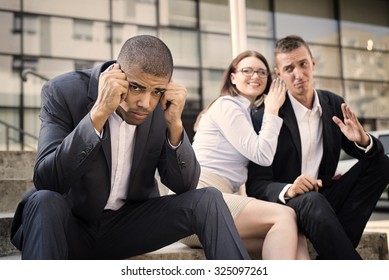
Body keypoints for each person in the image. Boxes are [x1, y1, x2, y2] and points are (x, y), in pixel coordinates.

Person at [9, 35, 251, 260]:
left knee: (208, 199)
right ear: (117, 74)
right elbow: (47, 179)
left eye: (156, 91)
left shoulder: (161, 108)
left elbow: (185, 186)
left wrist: (175, 126)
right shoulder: (63, 92)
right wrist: (99, 113)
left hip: (128, 228)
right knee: (42, 200)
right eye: (136, 87)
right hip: (67, 227)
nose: (145, 103)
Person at [246, 35, 389, 260]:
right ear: (279, 73)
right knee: (313, 200)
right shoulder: (267, 114)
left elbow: (373, 159)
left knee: (382, 162)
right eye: (289, 68)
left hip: (325, 200)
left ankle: (331, 258)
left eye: (303, 64)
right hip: (290, 204)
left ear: (312, 63)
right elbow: (256, 184)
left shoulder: (333, 103)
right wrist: (290, 189)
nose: (298, 74)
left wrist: (362, 140)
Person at [183, 50, 310, 259]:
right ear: (233, 77)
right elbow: (262, 155)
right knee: (286, 215)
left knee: (297, 233)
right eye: (247, 70)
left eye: (262, 72)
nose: (255, 76)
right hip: (198, 198)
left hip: (220, 204)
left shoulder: (246, 113)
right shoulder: (227, 105)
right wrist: (272, 111)